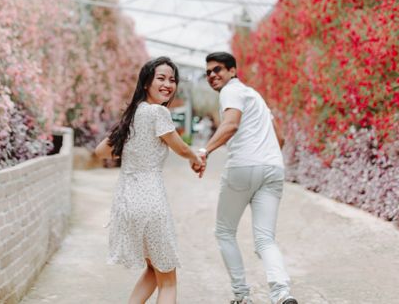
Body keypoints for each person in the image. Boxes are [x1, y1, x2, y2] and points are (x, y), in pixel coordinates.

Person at [95, 56, 205, 304]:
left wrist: (131, 142)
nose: (168, 84)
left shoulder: (133, 114)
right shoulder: (158, 112)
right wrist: (195, 157)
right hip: (151, 202)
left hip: (126, 201)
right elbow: (180, 147)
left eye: (172, 80)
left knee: (155, 270)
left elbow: (102, 151)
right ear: (147, 83)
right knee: (168, 281)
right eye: (161, 78)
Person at [197, 52, 297, 304]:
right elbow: (280, 137)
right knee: (265, 238)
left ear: (233, 71)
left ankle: (242, 296)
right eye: (208, 72)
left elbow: (231, 125)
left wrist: (204, 151)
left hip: (243, 167)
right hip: (273, 169)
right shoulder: (256, 97)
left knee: (224, 232)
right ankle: (282, 293)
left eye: (217, 69)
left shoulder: (231, 91)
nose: (212, 75)